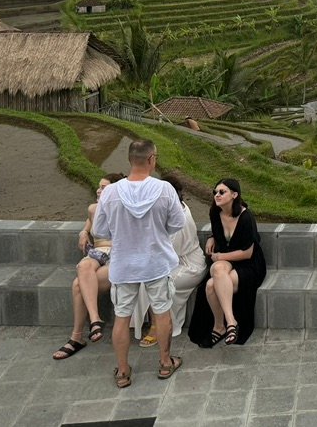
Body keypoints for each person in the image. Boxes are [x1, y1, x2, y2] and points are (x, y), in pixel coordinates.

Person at [93, 139, 185, 388]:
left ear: (130, 159)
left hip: (124, 264)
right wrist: (156, 231)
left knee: (122, 317)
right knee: (162, 313)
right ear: (152, 159)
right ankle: (165, 362)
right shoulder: (164, 189)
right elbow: (177, 223)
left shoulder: (111, 193)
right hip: (155, 261)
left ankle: (123, 371)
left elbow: (100, 229)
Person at [52, 172, 124, 359]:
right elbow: (89, 222)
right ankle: (95, 319)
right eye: (99, 187)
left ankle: (76, 337)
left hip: (117, 256)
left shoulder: (122, 207)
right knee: (83, 268)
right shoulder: (94, 209)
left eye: (104, 188)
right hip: (96, 254)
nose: (99, 191)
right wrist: (83, 232)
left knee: (78, 285)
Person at [187, 178, 267, 347]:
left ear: (234, 195)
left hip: (249, 263)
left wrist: (220, 257)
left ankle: (221, 326)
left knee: (210, 285)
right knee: (215, 272)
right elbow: (218, 233)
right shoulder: (215, 213)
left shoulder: (246, 217)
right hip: (226, 262)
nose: (217, 195)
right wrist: (211, 237)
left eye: (222, 192)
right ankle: (229, 323)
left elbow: (248, 253)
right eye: (215, 192)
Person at [133, 174, 207, 346]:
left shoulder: (180, 218)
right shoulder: (172, 209)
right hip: (171, 261)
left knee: (156, 283)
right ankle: (152, 321)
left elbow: (167, 252)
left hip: (190, 265)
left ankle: (156, 326)